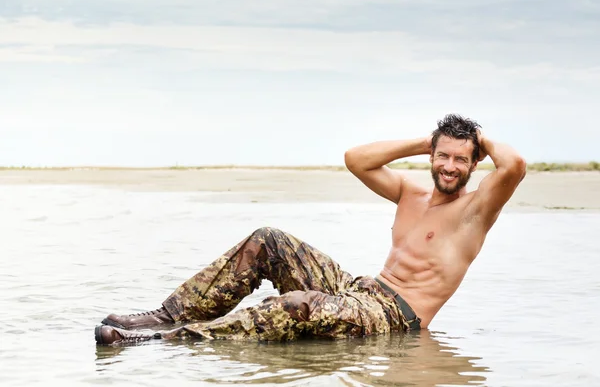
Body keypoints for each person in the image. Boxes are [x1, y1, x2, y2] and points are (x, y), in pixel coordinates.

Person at [95, 114, 526, 345]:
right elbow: (355, 158)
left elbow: (516, 165)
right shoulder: (410, 194)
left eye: (460, 159)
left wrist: (478, 136)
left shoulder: (475, 210)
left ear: (474, 164)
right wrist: (427, 140)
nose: (450, 166)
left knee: (298, 304)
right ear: (432, 156)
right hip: (363, 291)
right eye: (443, 156)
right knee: (270, 240)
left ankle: (170, 339)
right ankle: (170, 314)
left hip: (396, 317)